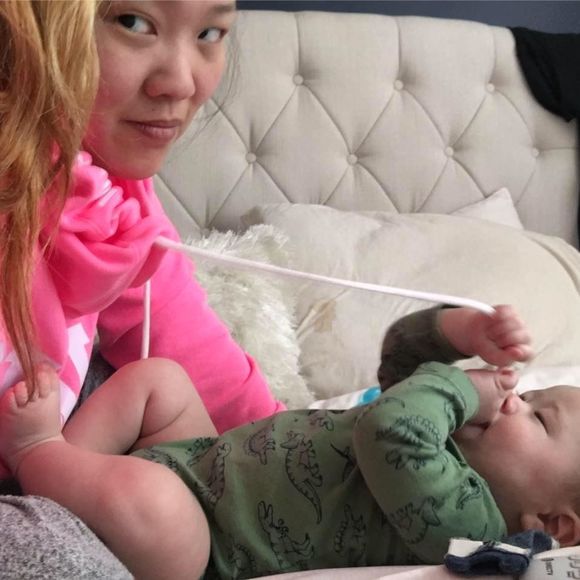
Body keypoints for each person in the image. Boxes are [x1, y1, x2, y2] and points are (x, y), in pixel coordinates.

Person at [0, 1, 284, 577]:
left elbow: (216, 378)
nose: (181, 83)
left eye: (210, 33)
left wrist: (325, 451)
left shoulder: (114, 199)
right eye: (133, 22)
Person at [3, 303, 578, 579]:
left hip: (205, 544)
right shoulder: (443, 425)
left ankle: (36, 452)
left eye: (538, 419)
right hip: (204, 465)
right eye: (529, 393)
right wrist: (462, 333)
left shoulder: (473, 530)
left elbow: (394, 429)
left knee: (158, 509)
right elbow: (403, 363)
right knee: (162, 380)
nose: (513, 400)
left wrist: (457, 386)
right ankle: (67, 470)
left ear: (554, 523)